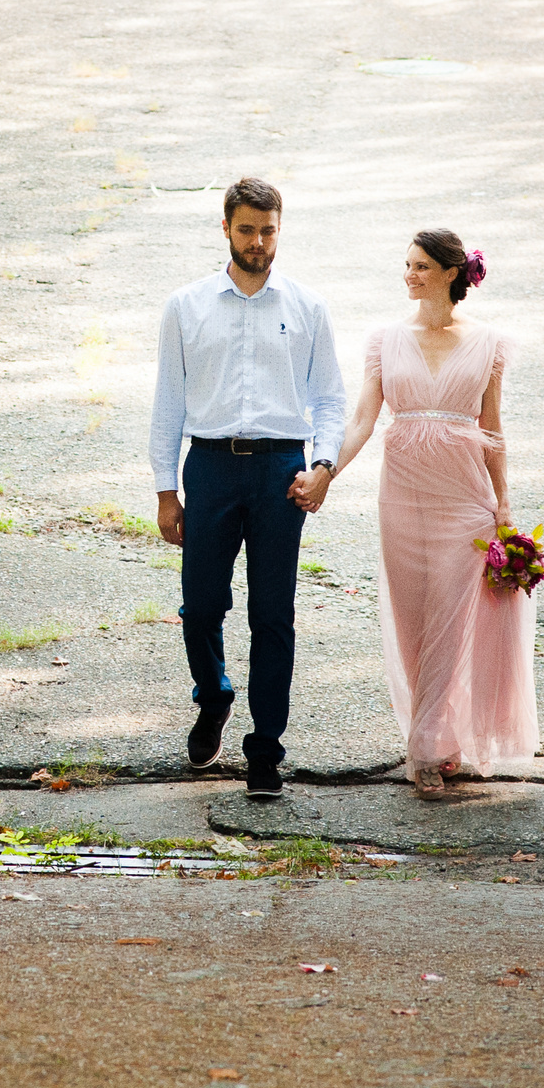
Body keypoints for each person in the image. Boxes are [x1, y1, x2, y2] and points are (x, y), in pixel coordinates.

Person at [150, 177, 345, 800]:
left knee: (273, 613)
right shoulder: (186, 306)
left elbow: (330, 399)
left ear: (279, 230)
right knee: (202, 605)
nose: (258, 242)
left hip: (280, 471)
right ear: (226, 229)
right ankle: (213, 698)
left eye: (268, 230)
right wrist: (166, 490)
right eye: (246, 230)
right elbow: (168, 402)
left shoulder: (307, 307)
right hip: (209, 466)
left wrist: (323, 467)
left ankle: (265, 750)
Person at [324, 229, 536, 795]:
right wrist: (325, 472)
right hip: (403, 498)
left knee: (452, 617)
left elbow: (493, 428)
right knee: (415, 621)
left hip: (465, 499)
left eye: (420, 266)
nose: (409, 275)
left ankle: (424, 751)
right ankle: (440, 736)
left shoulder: (488, 343)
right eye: (407, 265)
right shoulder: (384, 341)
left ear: (450, 272)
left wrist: (503, 505)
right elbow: (362, 420)